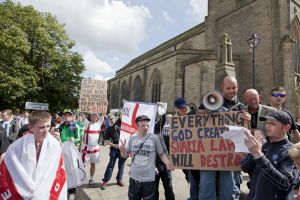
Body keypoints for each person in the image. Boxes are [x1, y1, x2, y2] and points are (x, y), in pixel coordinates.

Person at [198, 76, 249, 200]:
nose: (231, 90)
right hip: (209, 153)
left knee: (229, 187)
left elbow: (245, 131)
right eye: (228, 88)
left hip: (229, 155)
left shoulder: (241, 107)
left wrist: (248, 120)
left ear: (238, 87)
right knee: (207, 185)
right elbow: (195, 123)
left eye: (234, 88)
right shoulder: (210, 101)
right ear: (222, 87)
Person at [0, 110, 67, 199]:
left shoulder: (55, 145)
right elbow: (10, 170)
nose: (46, 131)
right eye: (41, 127)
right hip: (23, 193)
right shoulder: (16, 147)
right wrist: (27, 189)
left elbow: (57, 171)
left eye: (48, 126)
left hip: (46, 193)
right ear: (31, 127)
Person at [241, 110, 299, 200]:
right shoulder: (263, 145)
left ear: (286, 127)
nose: (267, 126)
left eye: (273, 123)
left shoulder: (291, 151)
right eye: (267, 123)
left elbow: (285, 184)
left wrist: (259, 156)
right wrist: (254, 151)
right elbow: (245, 167)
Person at [119, 115, 173, 200]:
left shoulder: (154, 138)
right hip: (134, 180)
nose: (146, 127)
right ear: (137, 126)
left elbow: (161, 154)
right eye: (143, 125)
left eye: (147, 125)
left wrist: (168, 163)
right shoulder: (132, 139)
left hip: (149, 181)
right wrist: (122, 150)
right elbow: (125, 155)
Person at [173, 97, 198, 200]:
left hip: (195, 153)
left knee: (195, 177)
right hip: (183, 154)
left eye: (184, 107)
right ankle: (193, 195)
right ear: (176, 109)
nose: (183, 110)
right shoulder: (176, 120)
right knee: (188, 176)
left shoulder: (193, 116)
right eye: (180, 108)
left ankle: (195, 196)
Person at [59, 110, 80, 199]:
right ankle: (65, 187)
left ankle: (72, 190)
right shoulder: (60, 127)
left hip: (71, 150)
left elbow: (78, 138)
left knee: (72, 169)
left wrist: (74, 140)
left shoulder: (75, 126)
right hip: (62, 150)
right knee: (64, 169)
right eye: (65, 115)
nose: (67, 117)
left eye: (69, 115)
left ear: (71, 117)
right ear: (63, 117)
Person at [154, 112, 175, 200]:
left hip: (165, 164)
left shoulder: (156, 130)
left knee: (169, 188)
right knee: (154, 190)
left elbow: (161, 121)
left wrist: (162, 111)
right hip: (153, 166)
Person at [101, 115, 126, 189]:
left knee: (121, 165)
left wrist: (125, 104)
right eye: (110, 119)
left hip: (122, 148)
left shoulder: (119, 123)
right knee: (111, 164)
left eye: (112, 118)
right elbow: (106, 140)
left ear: (115, 119)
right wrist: (113, 145)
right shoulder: (108, 129)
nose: (111, 120)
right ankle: (105, 181)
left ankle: (119, 179)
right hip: (114, 148)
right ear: (108, 120)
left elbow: (123, 115)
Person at [80, 112, 104, 187]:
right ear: (90, 117)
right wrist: (81, 104)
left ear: (97, 118)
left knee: (93, 164)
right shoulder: (86, 123)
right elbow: (81, 113)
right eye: (92, 116)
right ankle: (80, 178)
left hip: (95, 147)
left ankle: (91, 179)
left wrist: (105, 105)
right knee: (83, 164)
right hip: (86, 147)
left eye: (95, 117)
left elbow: (103, 113)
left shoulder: (99, 124)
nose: (93, 118)